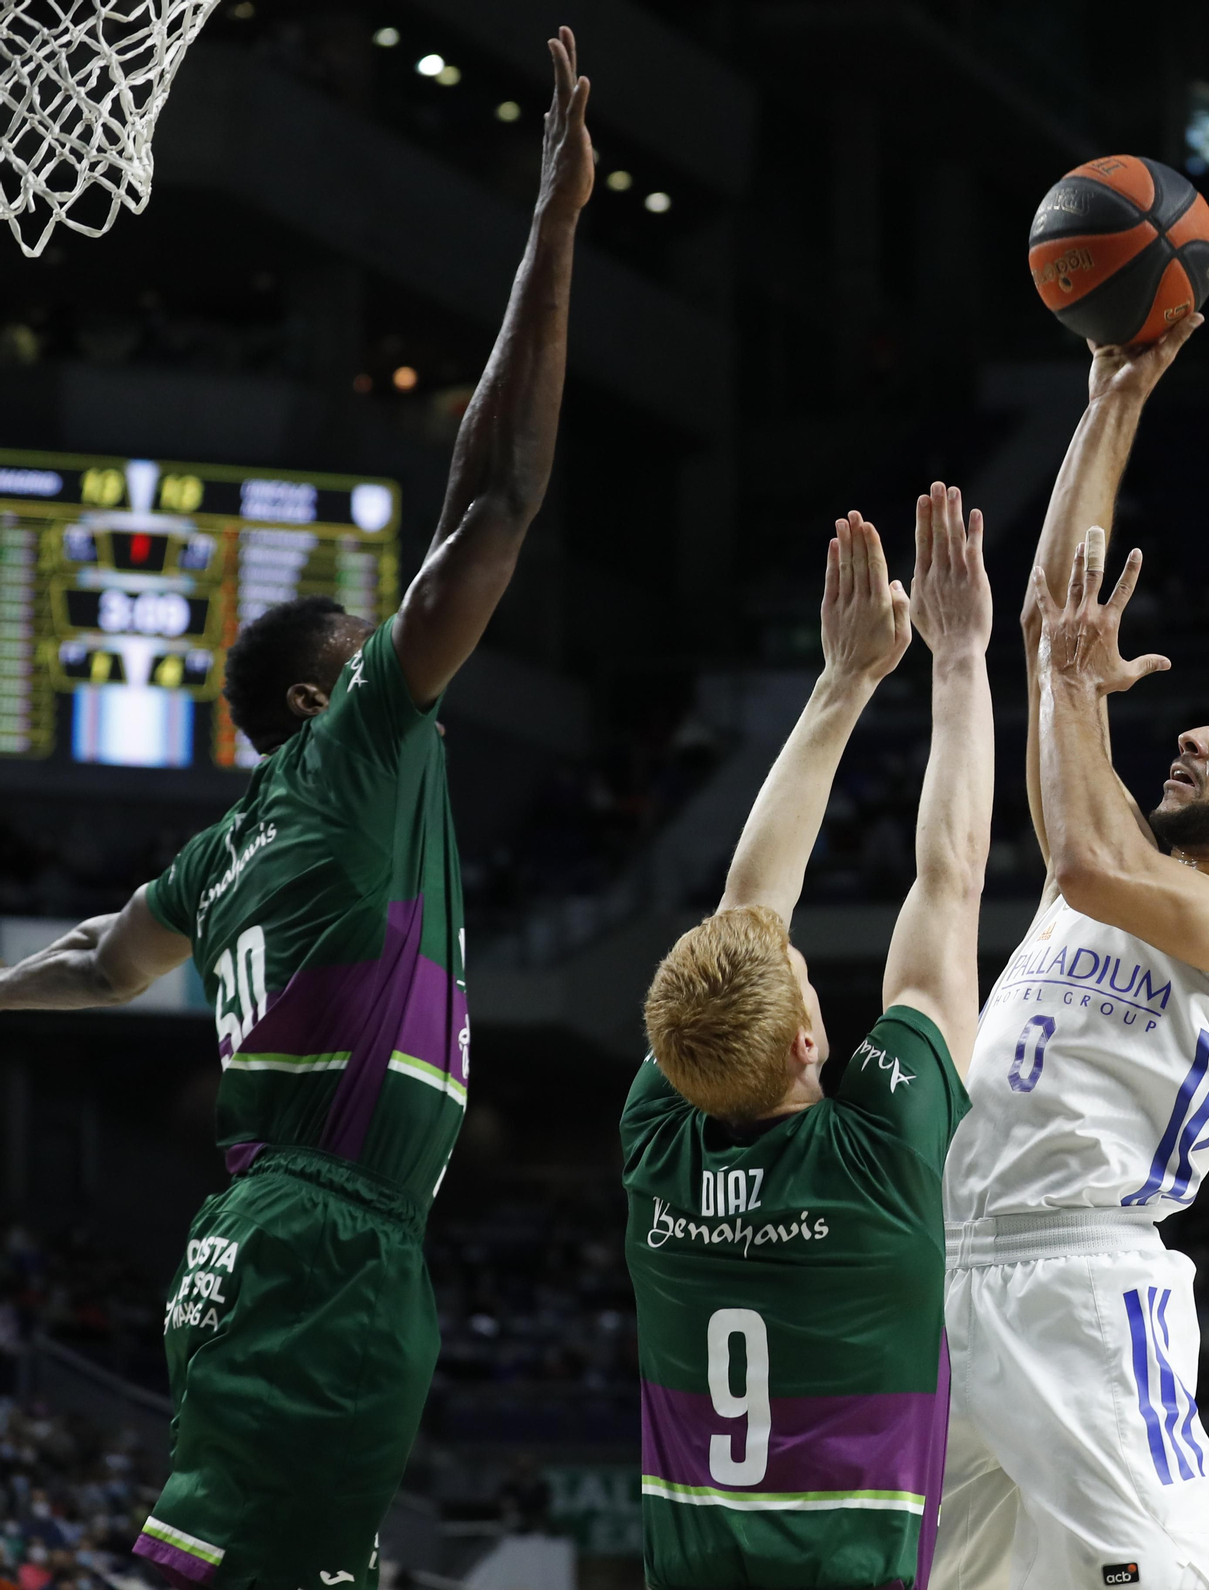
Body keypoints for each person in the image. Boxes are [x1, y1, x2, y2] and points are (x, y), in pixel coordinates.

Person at [0, 28, 594, 1590]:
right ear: (326, 702)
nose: (406, 645)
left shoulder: (219, 846)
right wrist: (552, 227)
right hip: (317, 1239)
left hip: (290, 1232)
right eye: (371, 643)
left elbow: (95, 967)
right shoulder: (357, 754)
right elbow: (498, 498)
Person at [931, 319, 1209, 1590]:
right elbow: (1051, 624)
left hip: (1084, 1282)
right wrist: (1110, 400)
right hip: (947, 1267)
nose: (1189, 732)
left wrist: (1073, 693)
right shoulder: (1117, 834)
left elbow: (1086, 869)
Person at [623, 487, 993, 1589]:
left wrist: (843, 683)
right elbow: (948, 883)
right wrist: (958, 658)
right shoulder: (876, 1164)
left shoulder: (662, 1137)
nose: (791, 950)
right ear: (803, 1046)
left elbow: (752, 904)